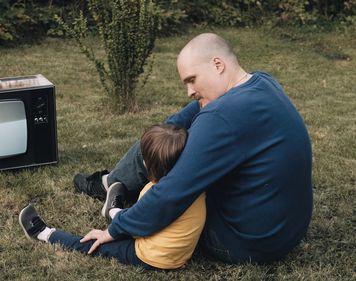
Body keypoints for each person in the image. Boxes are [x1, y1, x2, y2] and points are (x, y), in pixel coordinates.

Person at [73, 33, 313, 263]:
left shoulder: (222, 116)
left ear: (217, 64)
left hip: (244, 242)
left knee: (168, 157)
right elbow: (176, 122)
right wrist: (167, 131)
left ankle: (112, 186)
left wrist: (116, 229)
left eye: (192, 80)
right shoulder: (262, 82)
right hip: (286, 232)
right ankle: (113, 182)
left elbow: (172, 193)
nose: (189, 91)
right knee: (165, 134)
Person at [19, 124, 206, 270]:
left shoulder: (154, 193)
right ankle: (113, 210)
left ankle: (44, 234)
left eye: (144, 158)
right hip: (178, 254)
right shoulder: (195, 187)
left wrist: (106, 233)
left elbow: (135, 229)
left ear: (150, 165)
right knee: (133, 214)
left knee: (93, 245)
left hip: (154, 257)